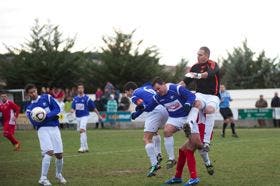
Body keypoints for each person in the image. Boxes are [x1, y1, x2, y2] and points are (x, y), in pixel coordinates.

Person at [176, 46, 220, 185]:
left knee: (210, 110)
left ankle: (207, 146)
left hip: (212, 96)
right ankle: (189, 123)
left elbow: (210, 74)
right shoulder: (194, 67)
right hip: (200, 95)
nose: (198, 56)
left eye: (200, 54)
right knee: (196, 103)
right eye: (197, 54)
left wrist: (197, 75)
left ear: (206, 55)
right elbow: (184, 82)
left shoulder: (212, 64)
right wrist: (173, 88)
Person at [151, 77, 197, 172]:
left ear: (164, 84)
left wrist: (188, 103)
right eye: (155, 90)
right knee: (167, 131)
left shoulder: (176, 88)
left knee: (198, 144)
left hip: (188, 117)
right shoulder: (158, 96)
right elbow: (150, 105)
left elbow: (191, 96)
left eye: (158, 88)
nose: (157, 91)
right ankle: (171, 159)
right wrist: (141, 108)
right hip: (174, 118)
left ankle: (207, 161)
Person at [25, 84, 66, 185]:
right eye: (31, 92)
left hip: (55, 128)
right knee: (49, 152)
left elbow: (57, 109)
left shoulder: (47, 97)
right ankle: (43, 178)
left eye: (34, 91)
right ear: (28, 94)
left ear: (37, 90)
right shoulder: (29, 109)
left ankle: (59, 174)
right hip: (42, 130)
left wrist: (45, 116)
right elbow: (35, 123)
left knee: (59, 155)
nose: (33, 93)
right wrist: (42, 118)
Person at [124, 81, 168, 177]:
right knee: (154, 132)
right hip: (165, 109)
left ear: (131, 90)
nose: (126, 94)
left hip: (155, 111)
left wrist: (135, 114)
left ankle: (154, 163)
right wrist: (138, 110)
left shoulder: (134, 95)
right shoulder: (147, 87)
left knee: (146, 138)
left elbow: (142, 105)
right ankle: (158, 154)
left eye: (126, 92)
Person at [71, 83, 102, 153]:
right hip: (78, 117)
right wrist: (72, 111)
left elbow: (94, 108)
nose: (80, 89)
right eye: (79, 88)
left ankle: (82, 147)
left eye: (81, 88)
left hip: (85, 116)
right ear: (77, 89)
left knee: (82, 130)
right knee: (82, 132)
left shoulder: (87, 99)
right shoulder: (75, 99)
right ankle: (86, 146)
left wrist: (99, 115)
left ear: (83, 89)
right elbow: (73, 108)